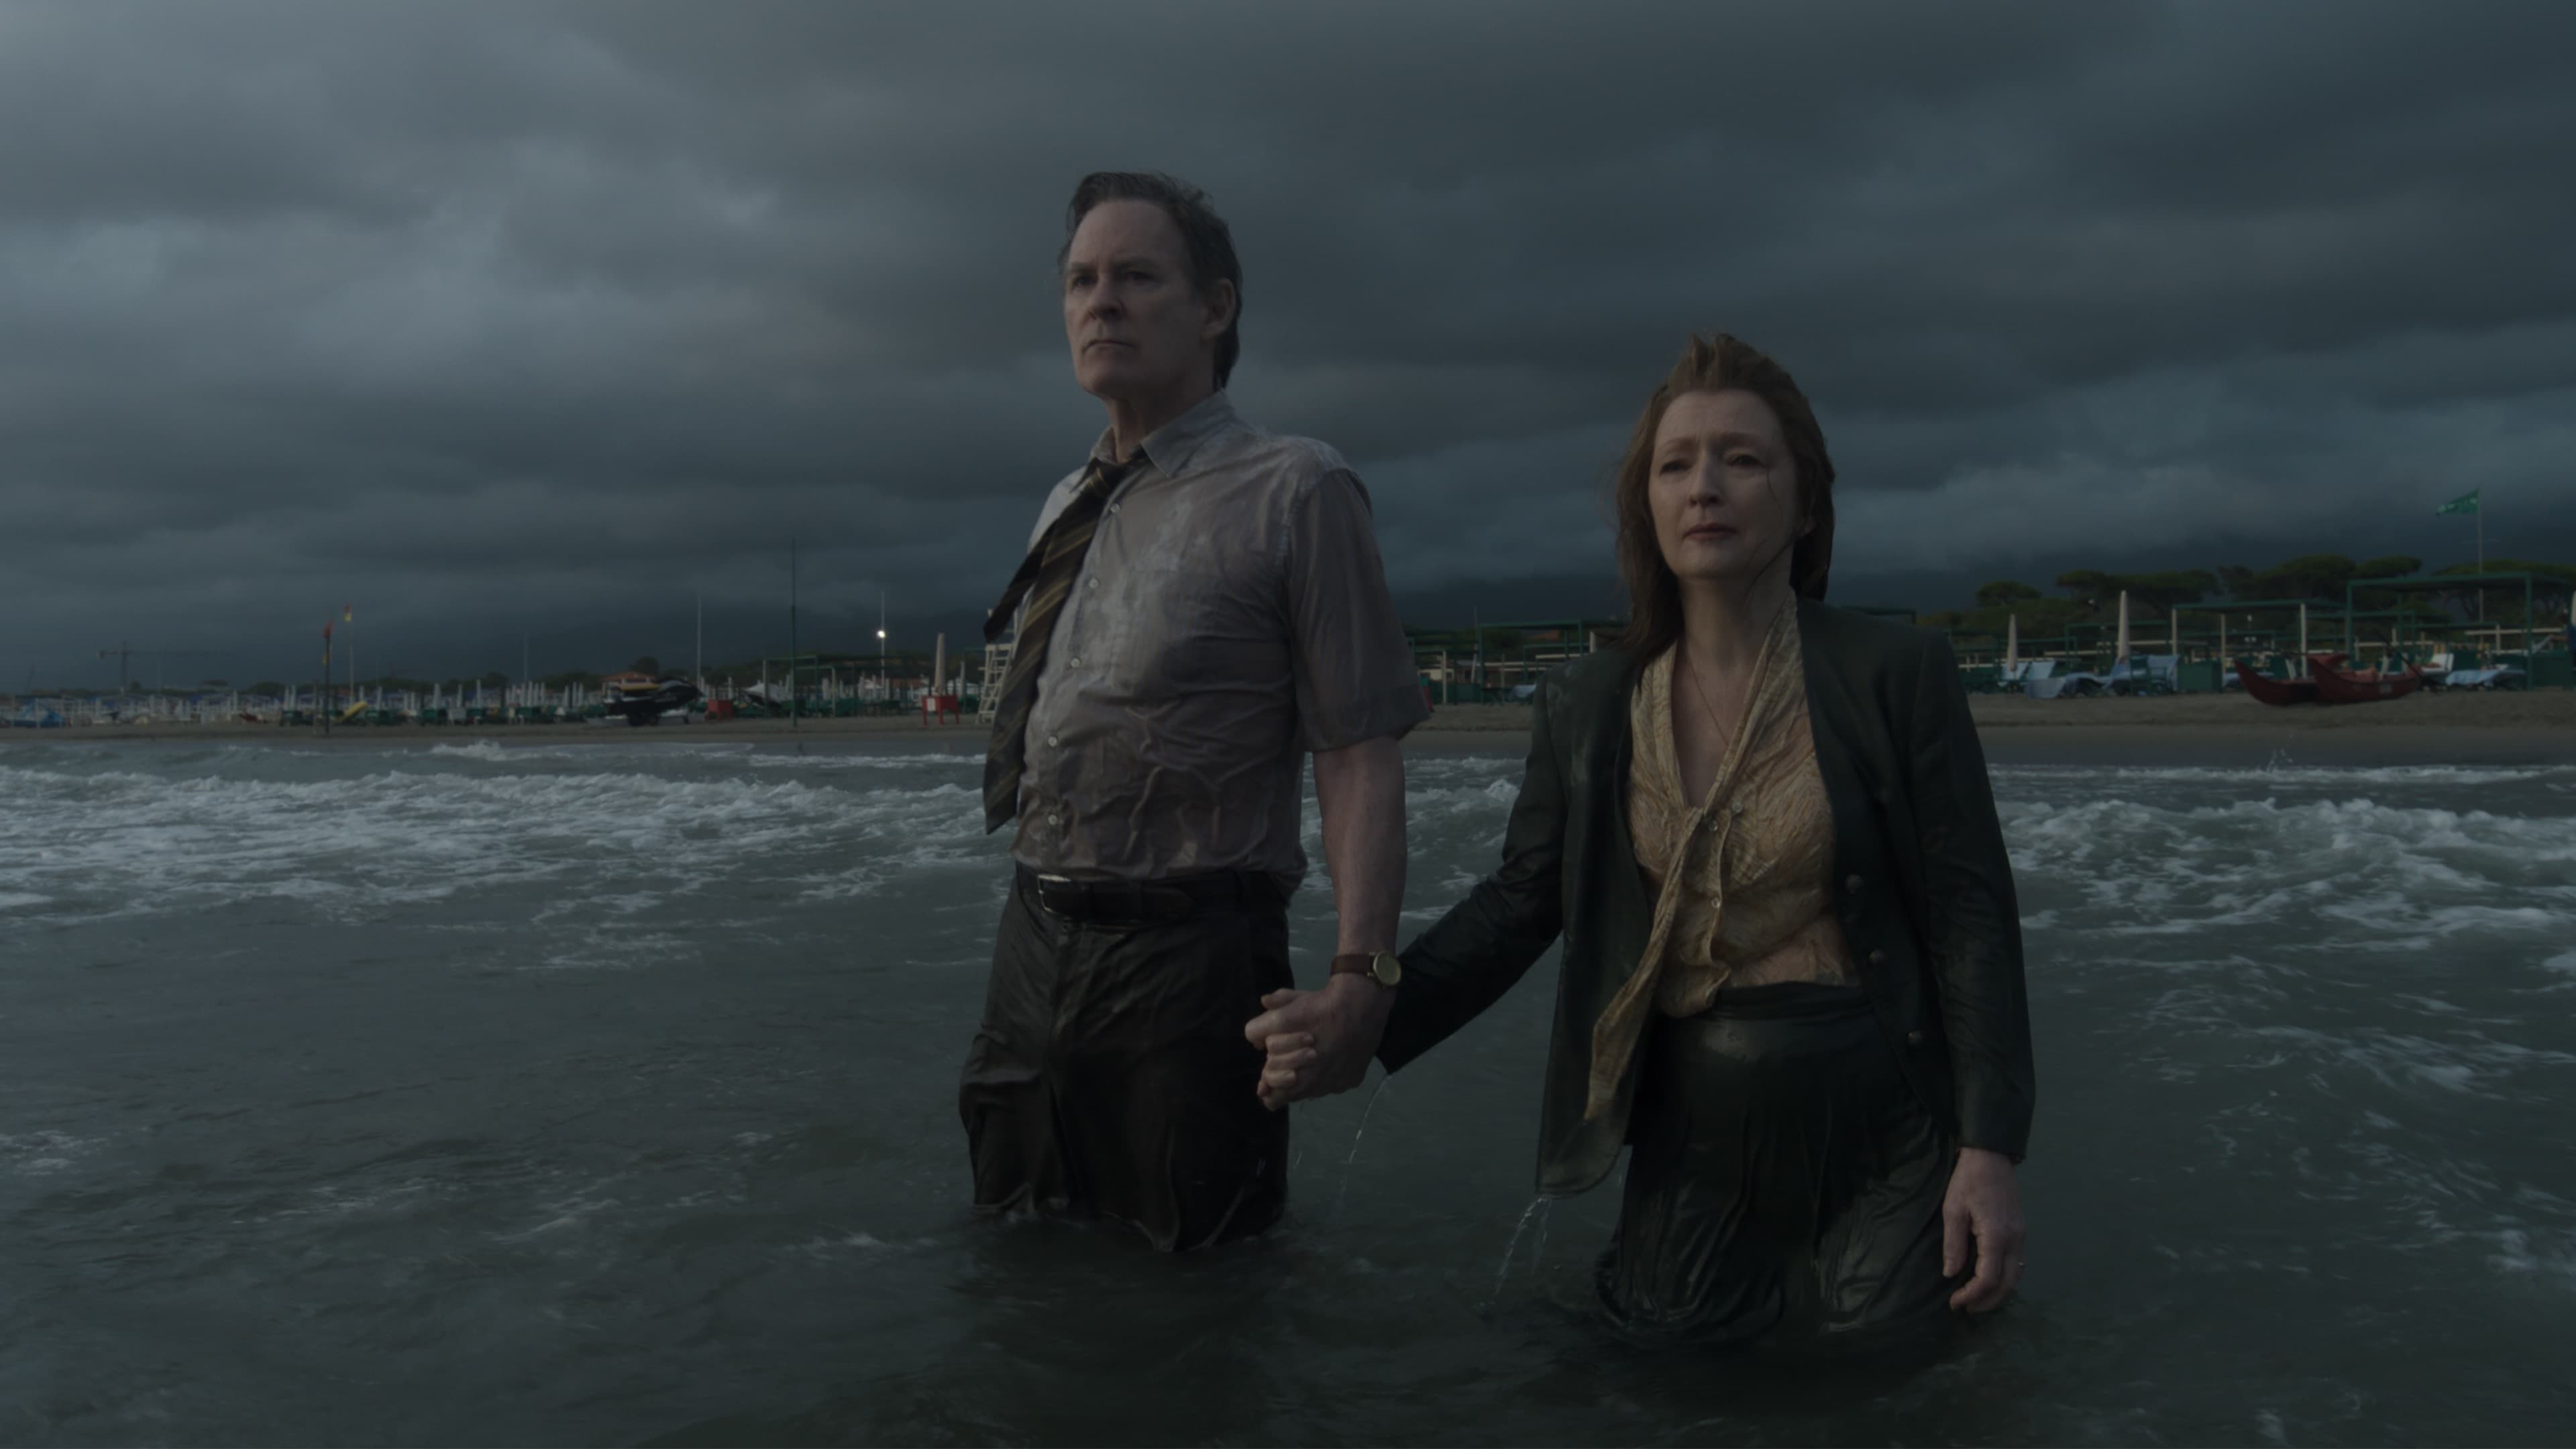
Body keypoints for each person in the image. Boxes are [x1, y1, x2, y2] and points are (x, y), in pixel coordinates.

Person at [1249, 333, 2033, 1344]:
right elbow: (1521, 902)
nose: (1705, 486)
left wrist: (1989, 1150)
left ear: (1805, 503)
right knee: (1656, 1369)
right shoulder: (1590, 701)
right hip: (1688, 1121)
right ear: (1646, 506)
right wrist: (1365, 1013)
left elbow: (1971, 915)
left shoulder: (1894, 674)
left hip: (1887, 1120)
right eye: (1675, 465)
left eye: (1742, 459)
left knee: (1888, 1366)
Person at [960, 172, 1428, 1252]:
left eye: (1136, 277)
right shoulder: (1065, 502)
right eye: (1082, 280)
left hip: (1195, 959)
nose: (1101, 302)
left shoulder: (1296, 488)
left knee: (1199, 1288)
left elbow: (1358, 750)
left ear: (1215, 307)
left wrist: (1361, 979)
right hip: (1032, 942)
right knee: (1014, 1259)